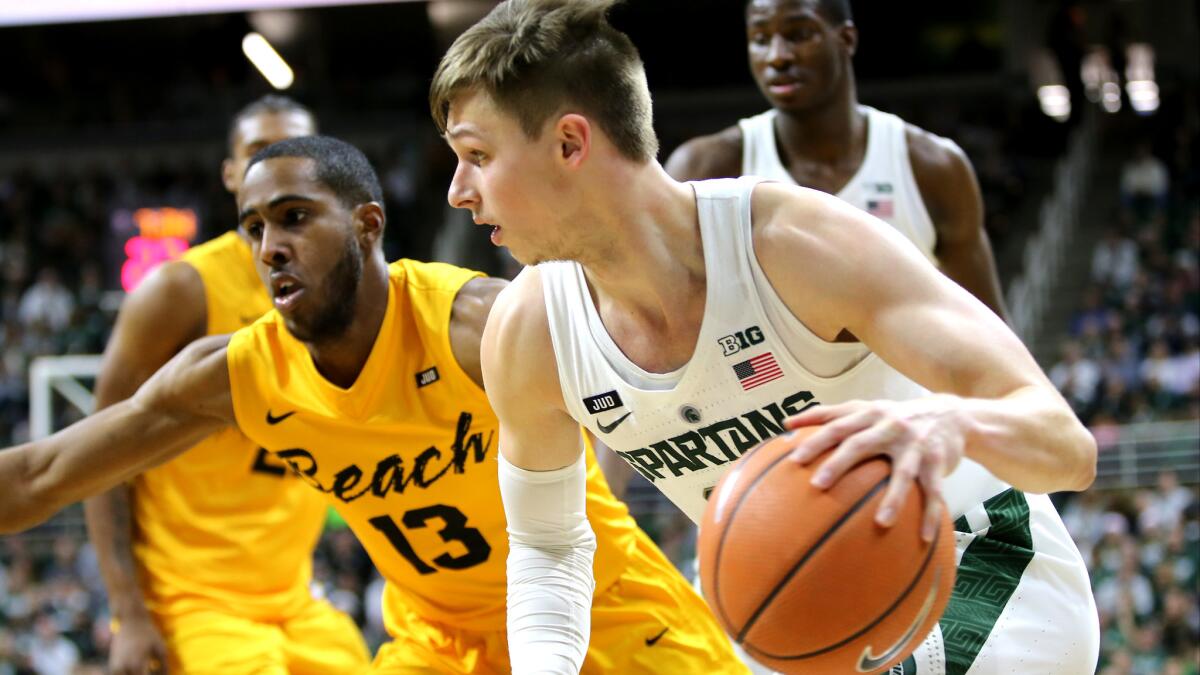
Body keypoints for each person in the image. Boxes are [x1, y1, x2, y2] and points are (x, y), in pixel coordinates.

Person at [428, 1, 1100, 673]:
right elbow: (549, 546)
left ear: (571, 144)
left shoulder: (799, 245)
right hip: (786, 609)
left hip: (973, 559)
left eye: (477, 156)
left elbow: (1068, 447)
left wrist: (953, 424)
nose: (458, 190)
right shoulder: (527, 333)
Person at [0, 136, 748, 674]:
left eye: (295, 217)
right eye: (255, 228)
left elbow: (675, 394)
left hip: (603, 612)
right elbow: (43, 475)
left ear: (367, 223)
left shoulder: (477, 324)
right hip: (442, 641)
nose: (270, 247)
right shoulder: (241, 372)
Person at [81, 95, 371, 675]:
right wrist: (128, 614)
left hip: (294, 600)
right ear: (233, 174)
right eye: (260, 152)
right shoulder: (180, 291)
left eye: (296, 150)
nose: (279, 163)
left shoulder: (343, 289)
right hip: (192, 603)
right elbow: (98, 455)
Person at [665, 0, 1008, 322]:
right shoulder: (707, 169)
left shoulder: (932, 167)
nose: (777, 57)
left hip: (912, 385)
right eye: (760, 39)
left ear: (846, 39)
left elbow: (991, 328)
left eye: (798, 35)